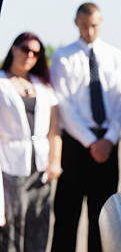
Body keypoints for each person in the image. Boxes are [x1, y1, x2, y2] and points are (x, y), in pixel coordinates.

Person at [50, 3, 121, 252]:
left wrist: (109, 138)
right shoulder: (62, 57)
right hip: (76, 144)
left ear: (101, 22)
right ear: (76, 23)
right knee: (66, 216)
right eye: (84, 25)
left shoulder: (114, 55)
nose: (89, 30)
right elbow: (64, 104)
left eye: (94, 25)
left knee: (102, 218)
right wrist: (90, 142)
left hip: (107, 143)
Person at [0, 32, 62, 252]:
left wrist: (55, 161)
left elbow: (55, 128)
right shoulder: (1, 83)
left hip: (41, 167)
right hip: (11, 166)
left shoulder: (44, 86)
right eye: (25, 49)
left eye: (36, 52)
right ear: (14, 48)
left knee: (39, 226)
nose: (30, 55)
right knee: (12, 229)